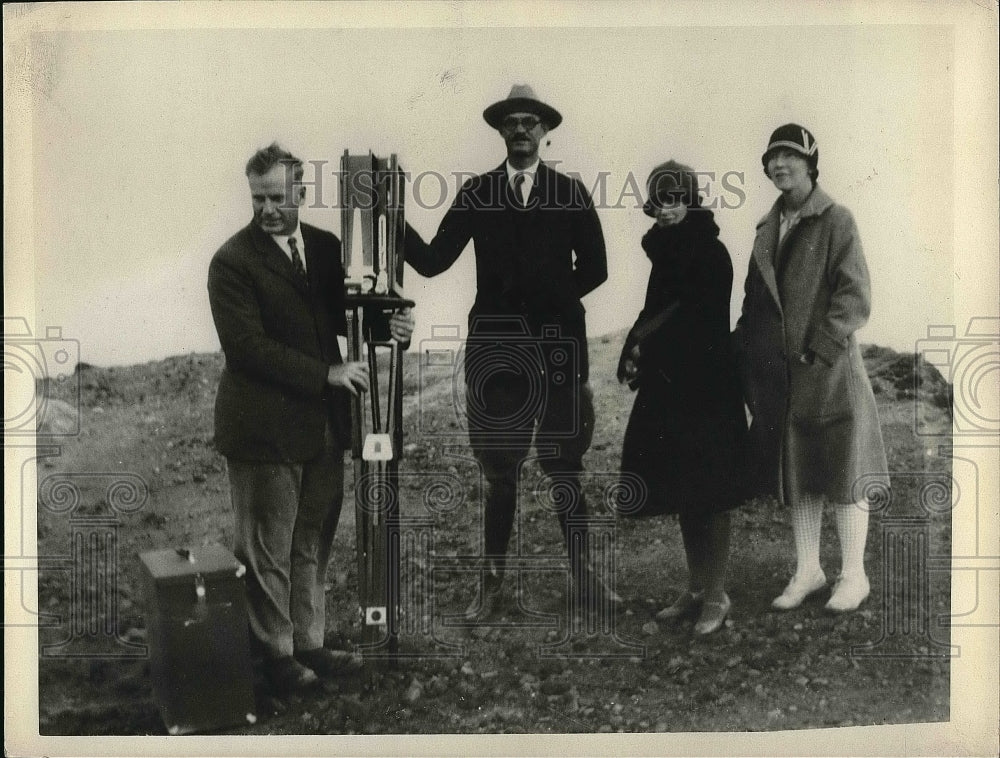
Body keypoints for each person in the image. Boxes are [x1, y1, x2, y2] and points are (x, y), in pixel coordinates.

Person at [404, 84, 617, 620]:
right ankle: (492, 587)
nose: (521, 129)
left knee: (564, 467)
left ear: (545, 131)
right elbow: (431, 260)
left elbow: (596, 268)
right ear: (500, 131)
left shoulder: (569, 192)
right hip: (496, 357)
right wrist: (388, 213)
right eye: (511, 122)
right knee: (500, 472)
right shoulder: (477, 193)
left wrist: (550, 301)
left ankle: (585, 581)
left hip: (559, 352)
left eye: (531, 121)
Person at [208, 143, 414, 693]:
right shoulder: (232, 262)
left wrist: (391, 331)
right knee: (267, 548)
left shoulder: (325, 249)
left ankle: (309, 643)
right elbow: (247, 348)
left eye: (278, 196)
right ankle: (276, 657)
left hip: (323, 427)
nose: (267, 208)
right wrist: (327, 373)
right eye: (258, 198)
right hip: (263, 430)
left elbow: (349, 321)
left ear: (301, 191)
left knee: (312, 540)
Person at [733, 124, 888, 613]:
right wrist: (745, 356)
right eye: (772, 158)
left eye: (789, 156)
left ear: (809, 163)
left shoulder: (836, 219)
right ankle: (808, 570)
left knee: (842, 471)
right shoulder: (765, 228)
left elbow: (854, 295)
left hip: (829, 373)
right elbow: (753, 302)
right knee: (797, 472)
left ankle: (853, 575)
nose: (779, 165)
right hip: (782, 378)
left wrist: (819, 349)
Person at [616, 161, 746, 635]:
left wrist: (643, 346)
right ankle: (695, 589)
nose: (666, 208)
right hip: (672, 386)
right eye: (659, 199)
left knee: (711, 491)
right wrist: (636, 345)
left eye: (675, 198)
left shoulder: (710, 252)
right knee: (686, 489)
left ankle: (717, 595)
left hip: (706, 388)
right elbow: (655, 310)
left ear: (689, 199)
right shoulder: (665, 250)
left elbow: (694, 318)